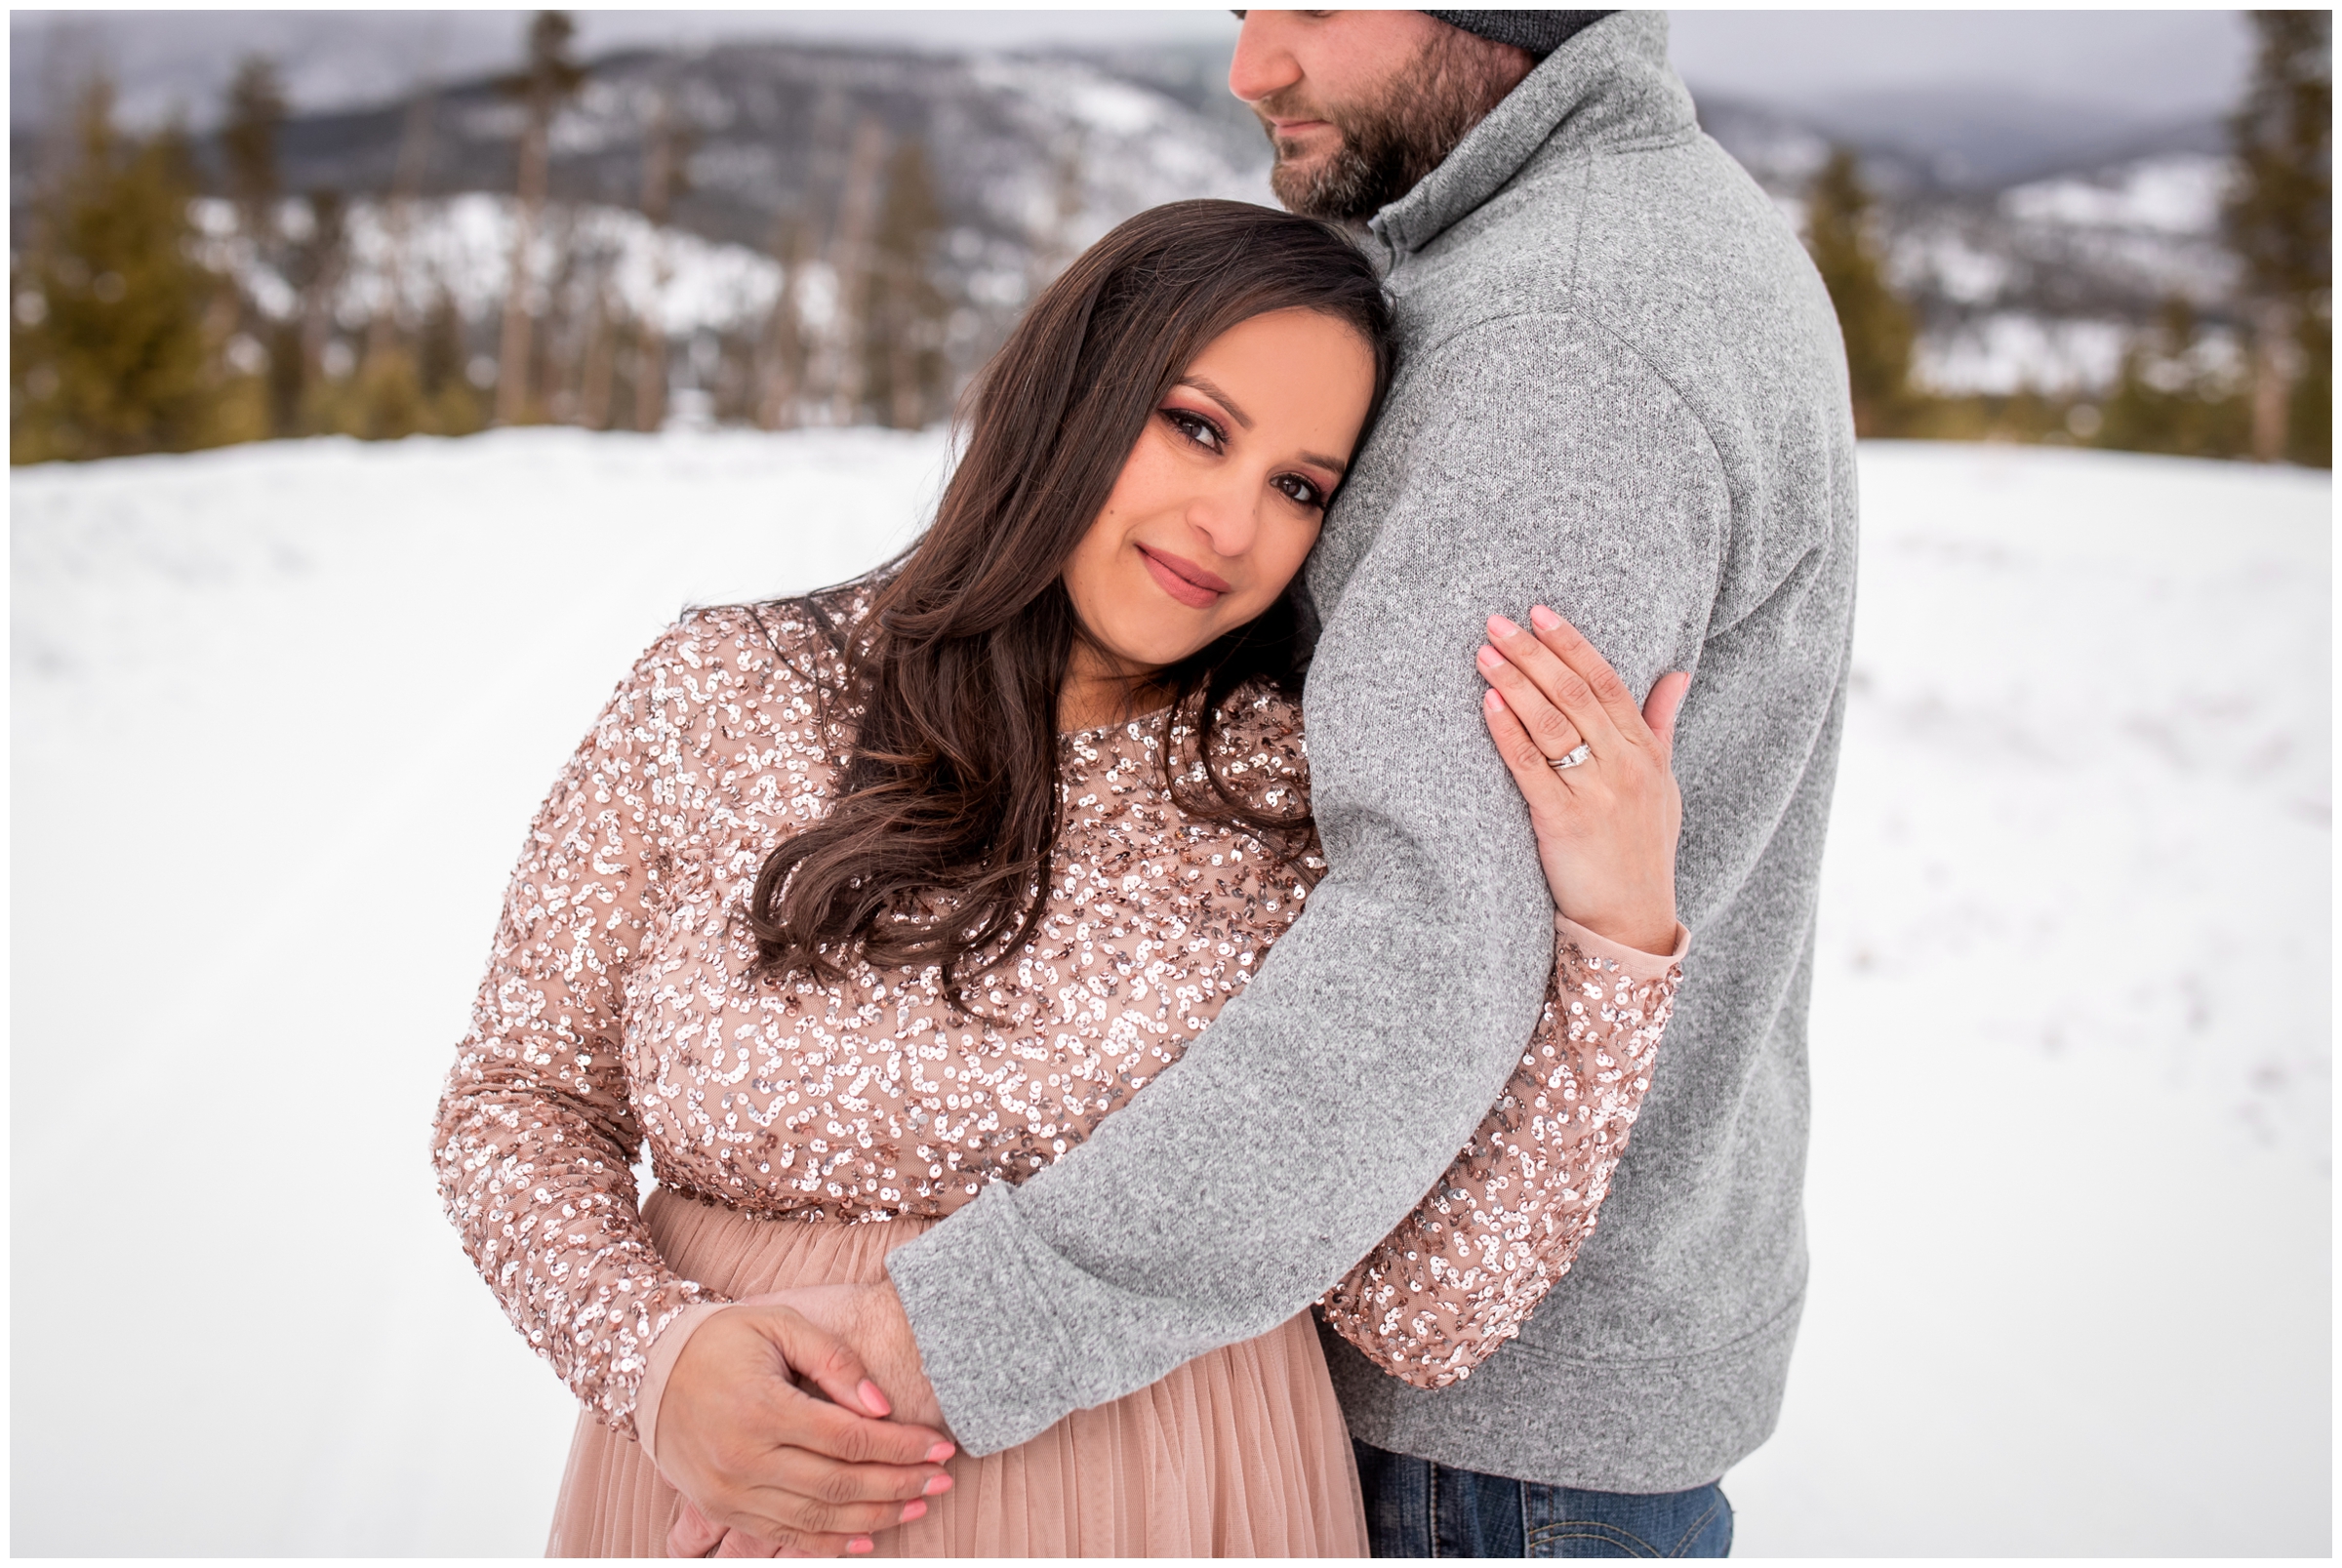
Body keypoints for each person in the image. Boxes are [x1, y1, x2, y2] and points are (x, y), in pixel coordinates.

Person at [682, 9, 1859, 1560]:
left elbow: (1428, 949)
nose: (1252, 68)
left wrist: (950, 1334)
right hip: (1498, 1406)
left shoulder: (1563, 335)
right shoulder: (1616, 239)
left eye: (1310, 3)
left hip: (1471, 1451)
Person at [434, 198, 1694, 1555]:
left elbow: (1425, 1312)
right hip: (721, 1486)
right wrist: (654, 1363)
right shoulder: (725, 692)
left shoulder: (1301, 797)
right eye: (1197, 427)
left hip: (1175, 1502)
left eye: (1300, 487)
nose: (1230, 524)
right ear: (1073, 394)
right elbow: (518, 1106)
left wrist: (1616, 933)